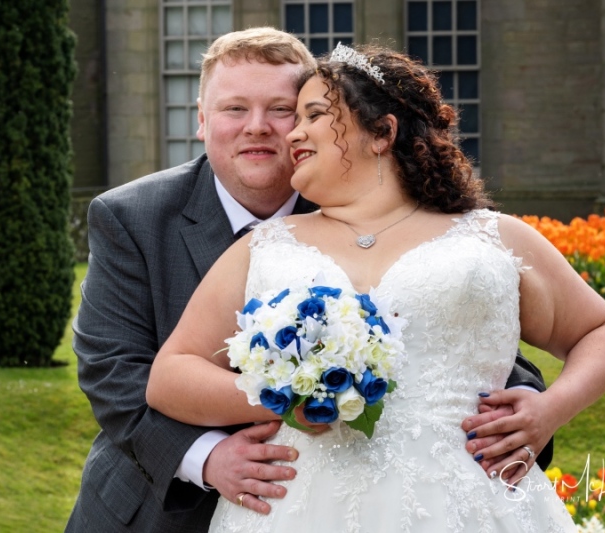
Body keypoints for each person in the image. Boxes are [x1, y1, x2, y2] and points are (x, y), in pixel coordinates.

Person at [67, 26, 548, 531]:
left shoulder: (368, 208)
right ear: (202, 121)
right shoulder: (132, 217)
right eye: (234, 109)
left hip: (345, 502)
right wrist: (205, 457)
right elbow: (113, 370)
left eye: (281, 110)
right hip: (161, 503)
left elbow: (461, 333)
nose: (258, 127)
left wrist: (530, 412)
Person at [145, 43, 605, 531]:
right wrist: (287, 394)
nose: (292, 133)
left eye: (313, 115)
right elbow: (170, 376)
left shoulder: (493, 238)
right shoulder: (266, 248)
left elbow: (603, 330)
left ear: (381, 132)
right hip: (299, 507)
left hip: (472, 505)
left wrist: (551, 409)